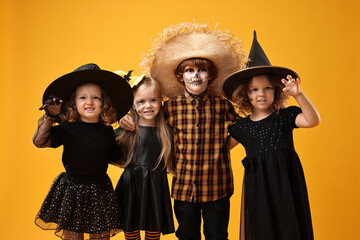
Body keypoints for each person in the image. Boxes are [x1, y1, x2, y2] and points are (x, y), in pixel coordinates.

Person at [120, 22, 247, 240]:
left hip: (217, 186)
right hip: (184, 188)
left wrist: (225, 146)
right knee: (187, 235)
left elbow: (243, 128)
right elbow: (147, 118)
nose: (195, 76)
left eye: (201, 70)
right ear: (181, 76)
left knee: (217, 235)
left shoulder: (221, 105)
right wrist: (125, 116)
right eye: (189, 70)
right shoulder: (171, 107)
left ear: (211, 75)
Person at [222, 31, 320, 240]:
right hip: (259, 190)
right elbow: (219, 149)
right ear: (246, 94)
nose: (261, 94)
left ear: (276, 91)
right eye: (254, 89)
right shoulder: (242, 127)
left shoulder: (284, 117)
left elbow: (312, 121)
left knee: (289, 228)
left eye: (267, 88)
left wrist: (298, 95)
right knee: (263, 230)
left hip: (287, 185)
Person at [32, 63, 133, 240]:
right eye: (83, 98)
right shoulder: (66, 128)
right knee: (72, 235)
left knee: (101, 235)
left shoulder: (107, 131)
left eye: (96, 97)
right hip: (73, 189)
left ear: (105, 103)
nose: (89, 102)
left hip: (100, 191)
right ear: (73, 103)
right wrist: (50, 117)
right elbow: (39, 142)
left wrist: (131, 132)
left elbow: (118, 158)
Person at [113, 71, 175, 240]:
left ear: (161, 101)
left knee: (153, 228)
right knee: (130, 228)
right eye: (141, 101)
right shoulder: (127, 130)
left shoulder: (167, 132)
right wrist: (119, 118)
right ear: (132, 105)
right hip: (131, 185)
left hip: (155, 185)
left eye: (153, 100)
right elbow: (104, 145)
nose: (148, 106)